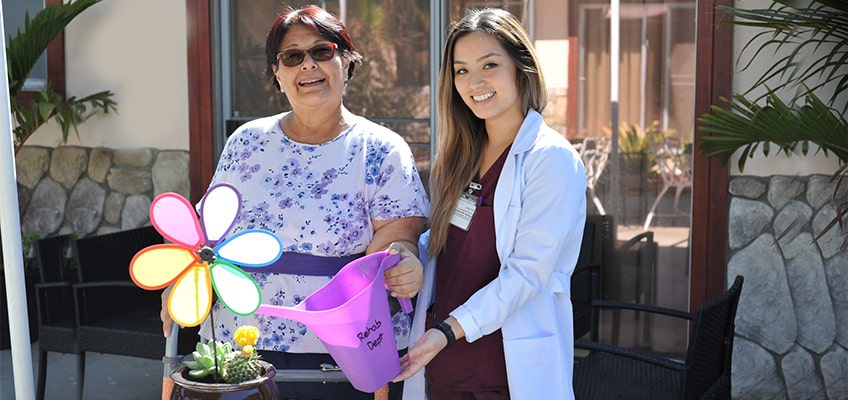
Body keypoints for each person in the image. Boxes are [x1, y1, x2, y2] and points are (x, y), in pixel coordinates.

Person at [160, 5, 430, 400]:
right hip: (240, 346)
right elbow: (203, 233)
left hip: (341, 351)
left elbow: (397, 239)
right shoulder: (246, 142)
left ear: (347, 62)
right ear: (277, 73)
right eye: (292, 56)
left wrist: (404, 262)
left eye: (322, 51)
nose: (308, 65)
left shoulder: (382, 149)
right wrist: (180, 285)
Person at [393, 8, 586, 400]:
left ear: (521, 67)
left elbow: (528, 273)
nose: (474, 82)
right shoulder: (461, 157)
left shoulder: (550, 159)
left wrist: (448, 330)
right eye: (461, 70)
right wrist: (408, 253)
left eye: (489, 65)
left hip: (503, 368)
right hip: (441, 362)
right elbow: (452, 243)